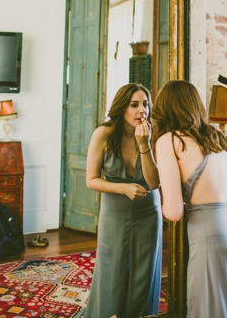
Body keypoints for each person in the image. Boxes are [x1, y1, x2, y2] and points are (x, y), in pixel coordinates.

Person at [152, 80, 227, 318]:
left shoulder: (169, 140)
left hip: (212, 232)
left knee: (209, 308)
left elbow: (174, 212)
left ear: (164, 108)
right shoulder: (216, 136)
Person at [84, 83, 162, 318]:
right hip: (114, 214)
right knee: (112, 273)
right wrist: (123, 188)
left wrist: (144, 145)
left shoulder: (152, 133)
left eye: (145, 104)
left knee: (143, 274)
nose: (142, 110)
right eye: (134, 105)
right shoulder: (104, 134)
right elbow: (91, 180)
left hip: (148, 213)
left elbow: (154, 182)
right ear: (121, 108)